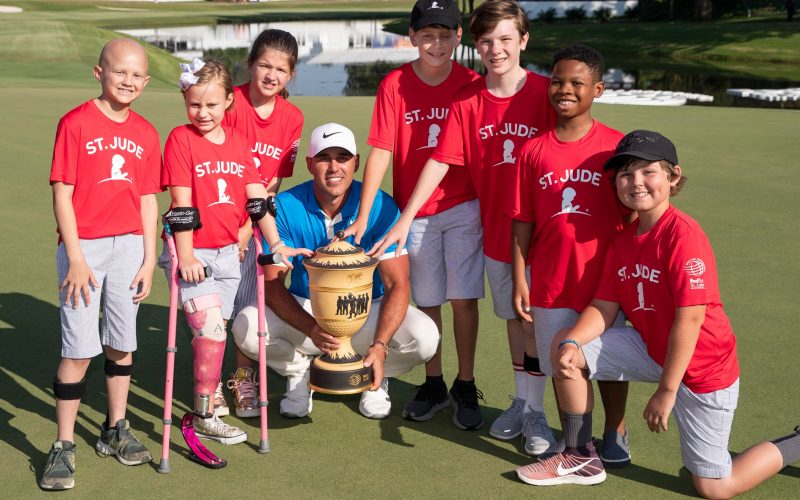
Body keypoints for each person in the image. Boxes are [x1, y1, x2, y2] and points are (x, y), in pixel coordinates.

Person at [515, 130, 800, 496]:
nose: (635, 183)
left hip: (701, 369)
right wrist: (571, 340)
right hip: (653, 349)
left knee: (715, 487)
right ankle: (578, 456)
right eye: (625, 174)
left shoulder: (683, 236)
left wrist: (667, 391)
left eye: (648, 172)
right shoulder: (623, 240)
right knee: (566, 348)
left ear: (673, 177)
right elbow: (604, 306)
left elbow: (691, 319)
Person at [368, 0, 557, 443]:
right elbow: (440, 159)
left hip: (531, 228)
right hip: (496, 229)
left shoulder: (543, 93)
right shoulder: (468, 98)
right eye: (488, 40)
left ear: (524, 41)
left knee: (529, 319)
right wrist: (403, 217)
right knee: (513, 316)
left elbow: (575, 147)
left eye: (507, 39)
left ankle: (532, 409)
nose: (497, 48)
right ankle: (456, 388)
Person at [231, 123, 439, 420]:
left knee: (426, 338)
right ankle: (300, 370)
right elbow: (274, 284)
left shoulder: (380, 205)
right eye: (323, 158)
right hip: (307, 309)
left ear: (356, 162)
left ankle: (373, 373)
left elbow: (398, 284)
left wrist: (380, 345)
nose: (333, 167)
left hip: (368, 311)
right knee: (245, 328)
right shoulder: (287, 206)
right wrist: (311, 329)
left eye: (342, 158)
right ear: (309, 164)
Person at [341, 0, 484, 426]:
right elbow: (381, 149)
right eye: (427, 35)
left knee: (463, 299)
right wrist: (365, 215)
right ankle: (435, 382)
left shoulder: (473, 83)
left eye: (445, 35)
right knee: (427, 300)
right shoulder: (395, 84)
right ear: (413, 36)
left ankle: (465, 381)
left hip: (462, 205)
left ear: (459, 37)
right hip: (412, 210)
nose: (436, 44)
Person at [159, 59, 309, 451]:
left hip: (230, 252)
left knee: (218, 331)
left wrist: (275, 243)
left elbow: (257, 201)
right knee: (209, 330)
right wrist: (187, 255)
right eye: (194, 105)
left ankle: (209, 399)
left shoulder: (240, 144)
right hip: (191, 250)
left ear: (229, 101)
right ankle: (204, 414)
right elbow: (181, 204)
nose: (202, 114)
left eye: (211, 105)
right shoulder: (180, 139)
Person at [43, 38, 159, 490]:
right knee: (77, 350)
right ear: (99, 73)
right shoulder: (74, 123)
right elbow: (62, 192)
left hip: (130, 247)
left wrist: (150, 260)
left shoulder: (147, 133)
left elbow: (149, 200)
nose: (128, 81)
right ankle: (64, 443)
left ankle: (115, 427)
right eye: (119, 72)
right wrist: (74, 257)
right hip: (85, 249)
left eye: (136, 75)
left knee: (122, 343)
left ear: (146, 81)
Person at [509, 45, 632, 467]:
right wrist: (521, 278)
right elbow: (523, 221)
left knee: (609, 363)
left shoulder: (616, 148)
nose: (564, 89)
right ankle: (576, 438)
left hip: (606, 283)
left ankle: (615, 428)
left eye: (576, 83)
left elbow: (635, 214)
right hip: (551, 280)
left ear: (596, 89)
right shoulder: (533, 151)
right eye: (558, 80)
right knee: (563, 363)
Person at [221, 28, 304, 420]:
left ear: (291, 75)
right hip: (217, 214)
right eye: (265, 65)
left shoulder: (292, 117)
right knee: (215, 304)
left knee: (250, 300)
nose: (272, 75)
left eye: (281, 69)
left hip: (258, 219)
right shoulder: (229, 102)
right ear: (250, 64)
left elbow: (273, 180)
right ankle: (208, 382)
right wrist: (235, 224)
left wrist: (251, 222)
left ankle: (243, 377)